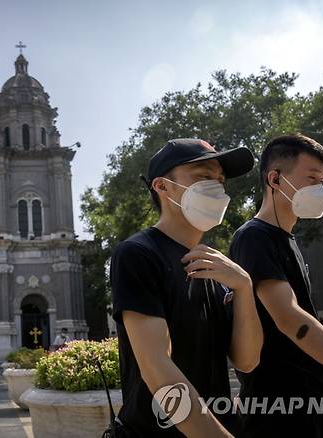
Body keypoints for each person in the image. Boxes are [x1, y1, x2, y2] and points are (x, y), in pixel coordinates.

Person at [229, 133, 323, 437]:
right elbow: (289, 319)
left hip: (320, 399)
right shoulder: (253, 238)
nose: (320, 189)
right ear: (274, 179)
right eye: (311, 178)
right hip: (284, 412)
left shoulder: (288, 241)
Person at [111, 138, 263, 437]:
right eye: (204, 177)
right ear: (162, 186)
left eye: (220, 181)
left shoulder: (215, 265)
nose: (217, 188)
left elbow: (246, 360)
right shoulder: (138, 254)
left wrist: (244, 288)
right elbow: (157, 368)